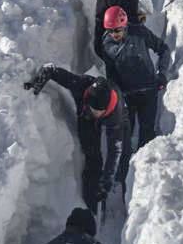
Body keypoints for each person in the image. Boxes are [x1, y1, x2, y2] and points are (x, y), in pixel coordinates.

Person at [24, 68, 131, 214]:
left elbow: (115, 150)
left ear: (105, 110)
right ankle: (90, 206)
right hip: (85, 116)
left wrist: (106, 182)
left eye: (96, 111)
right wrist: (40, 79)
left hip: (116, 114)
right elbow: (54, 71)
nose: (93, 112)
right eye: (92, 108)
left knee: (125, 149)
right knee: (92, 156)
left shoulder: (115, 116)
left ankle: (119, 184)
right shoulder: (82, 85)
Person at [101, 6, 170, 149]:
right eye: (110, 31)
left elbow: (163, 49)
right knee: (125, 136)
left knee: (147, 135)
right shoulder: (107, 44)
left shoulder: (139, 33)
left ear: (124, 24)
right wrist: (116, 95)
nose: (114, 34)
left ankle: (147, 164)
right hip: (127, 95)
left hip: (148, 91)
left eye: (117, 30)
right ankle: (126, 167)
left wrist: (162, 73)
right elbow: (111, 73)